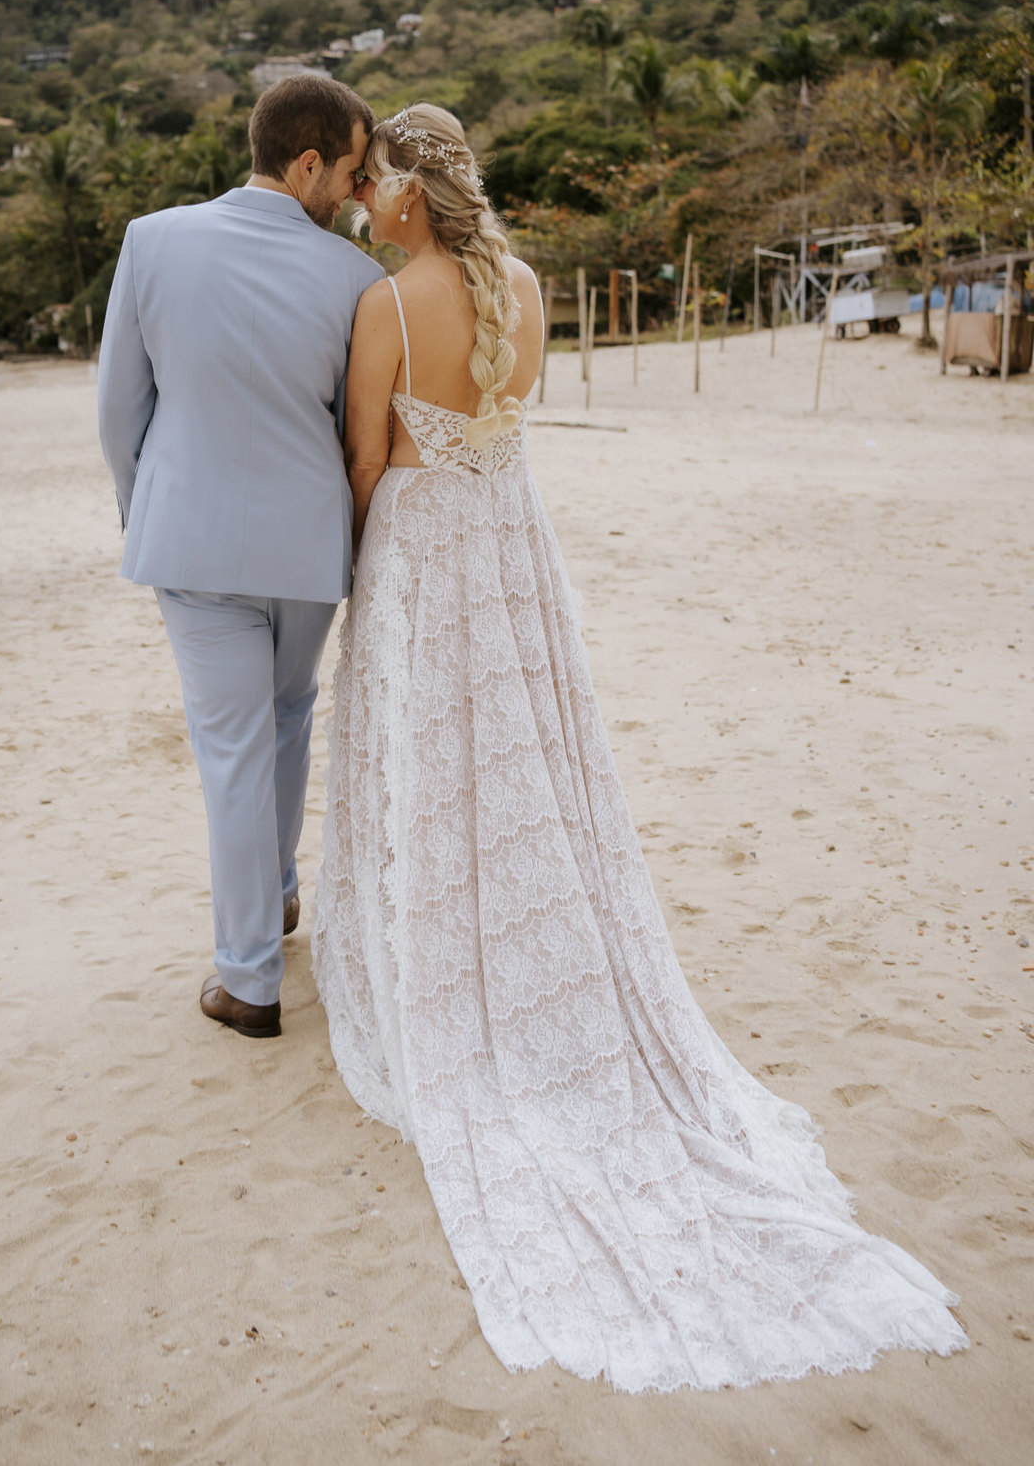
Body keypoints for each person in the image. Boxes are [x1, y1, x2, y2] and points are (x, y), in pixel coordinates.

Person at [311, 103, 967, 1395]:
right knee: (531, 762)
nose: (364, 201)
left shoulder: (384, 309)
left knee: (437, 770)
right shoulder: (529, 287)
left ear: (403, 195)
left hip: (432, 568)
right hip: (516, 550)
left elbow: (370, 465)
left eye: (374, 181)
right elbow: (500, 423)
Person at [98, 73, 379, 1039]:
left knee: (232, 749)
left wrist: (149, 518)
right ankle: (281, 891)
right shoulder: (357, 280)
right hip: (308, 547)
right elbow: (355, 431)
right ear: (306, 163)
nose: (351, 193)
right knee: (288, 715)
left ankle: (251, 979)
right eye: (346, 171)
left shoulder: (152, 239)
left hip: (195, 540)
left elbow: (117, 411)